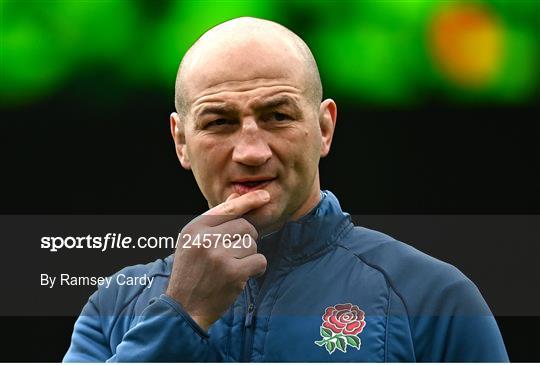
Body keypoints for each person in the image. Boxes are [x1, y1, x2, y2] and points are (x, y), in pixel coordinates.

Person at [64, 17, 508, 362]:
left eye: (278, 116)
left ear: (324, 127)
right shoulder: (115, 303)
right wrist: (181, 314)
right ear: (181, 141)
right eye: (219, 121)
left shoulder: (435, 298)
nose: (252, 151)